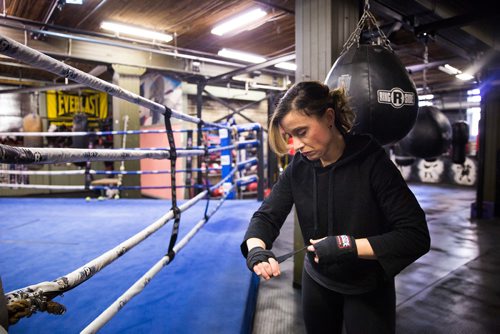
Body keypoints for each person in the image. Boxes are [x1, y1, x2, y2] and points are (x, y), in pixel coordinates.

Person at [240, 81, 430, 334]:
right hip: (317, 280)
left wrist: (347, 247)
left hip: (367, 286)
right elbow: (267, 215)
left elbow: (415, 236)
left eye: (302, 132)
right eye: (290, 136)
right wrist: (256, 250)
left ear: (329, 117)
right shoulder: (299, 167)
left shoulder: (372, 163)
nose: (295, 146)